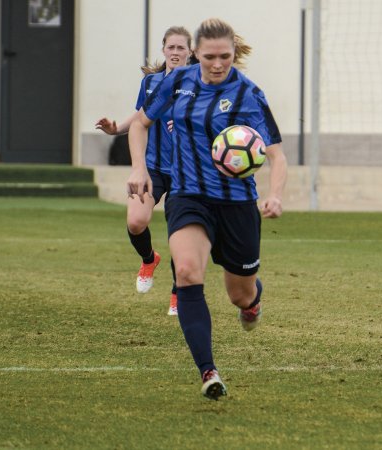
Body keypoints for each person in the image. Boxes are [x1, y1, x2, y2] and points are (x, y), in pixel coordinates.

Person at [127, 18, 287, 399]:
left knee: (240, 294)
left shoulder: (249, 94)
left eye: (225, 57)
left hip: (237, 204)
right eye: (210, 57)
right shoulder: (177, 82)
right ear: (196, 53)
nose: (217, 64)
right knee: (186, 271)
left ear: (234, 53)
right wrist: (139, 168)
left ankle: (252, 302)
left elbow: (277, 156)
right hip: (188, 197)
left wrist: (275, 195)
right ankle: (208, 371)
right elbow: (139, 124)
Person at [96, 26, 192, 316]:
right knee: (136, 222)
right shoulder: (151, 82)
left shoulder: (198, 84)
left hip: (187, 171)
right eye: (171, 47)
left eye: (181, 47)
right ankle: (149, 259)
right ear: (163, 50)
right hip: (152, 167)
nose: (175, 52)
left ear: (190, 52)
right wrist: (116, 130)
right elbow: (141, 117)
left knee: (181, 235)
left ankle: (178, 292)